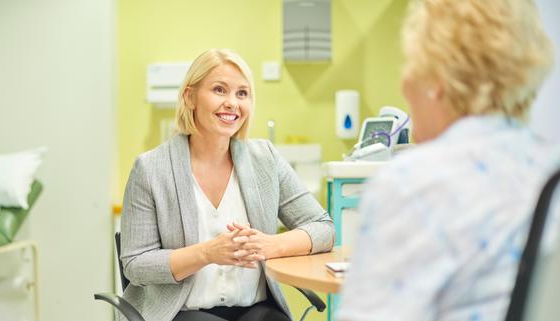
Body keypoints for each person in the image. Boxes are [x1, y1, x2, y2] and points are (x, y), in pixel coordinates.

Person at [338, 0, 559, 320]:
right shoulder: (549, 167)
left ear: (437, 77)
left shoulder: (409, 184)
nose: (404, 84)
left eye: (409, 64)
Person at [119, 48, 334, 321]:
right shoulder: (150, 169)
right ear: (190, 96)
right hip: (182, 311)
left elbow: (323, 228)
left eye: (242, 93)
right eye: (220, 90)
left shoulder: (264, 159)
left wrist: (269, 245)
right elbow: (136, 265)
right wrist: (207, 253)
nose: (232, 103)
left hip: (256, 309)